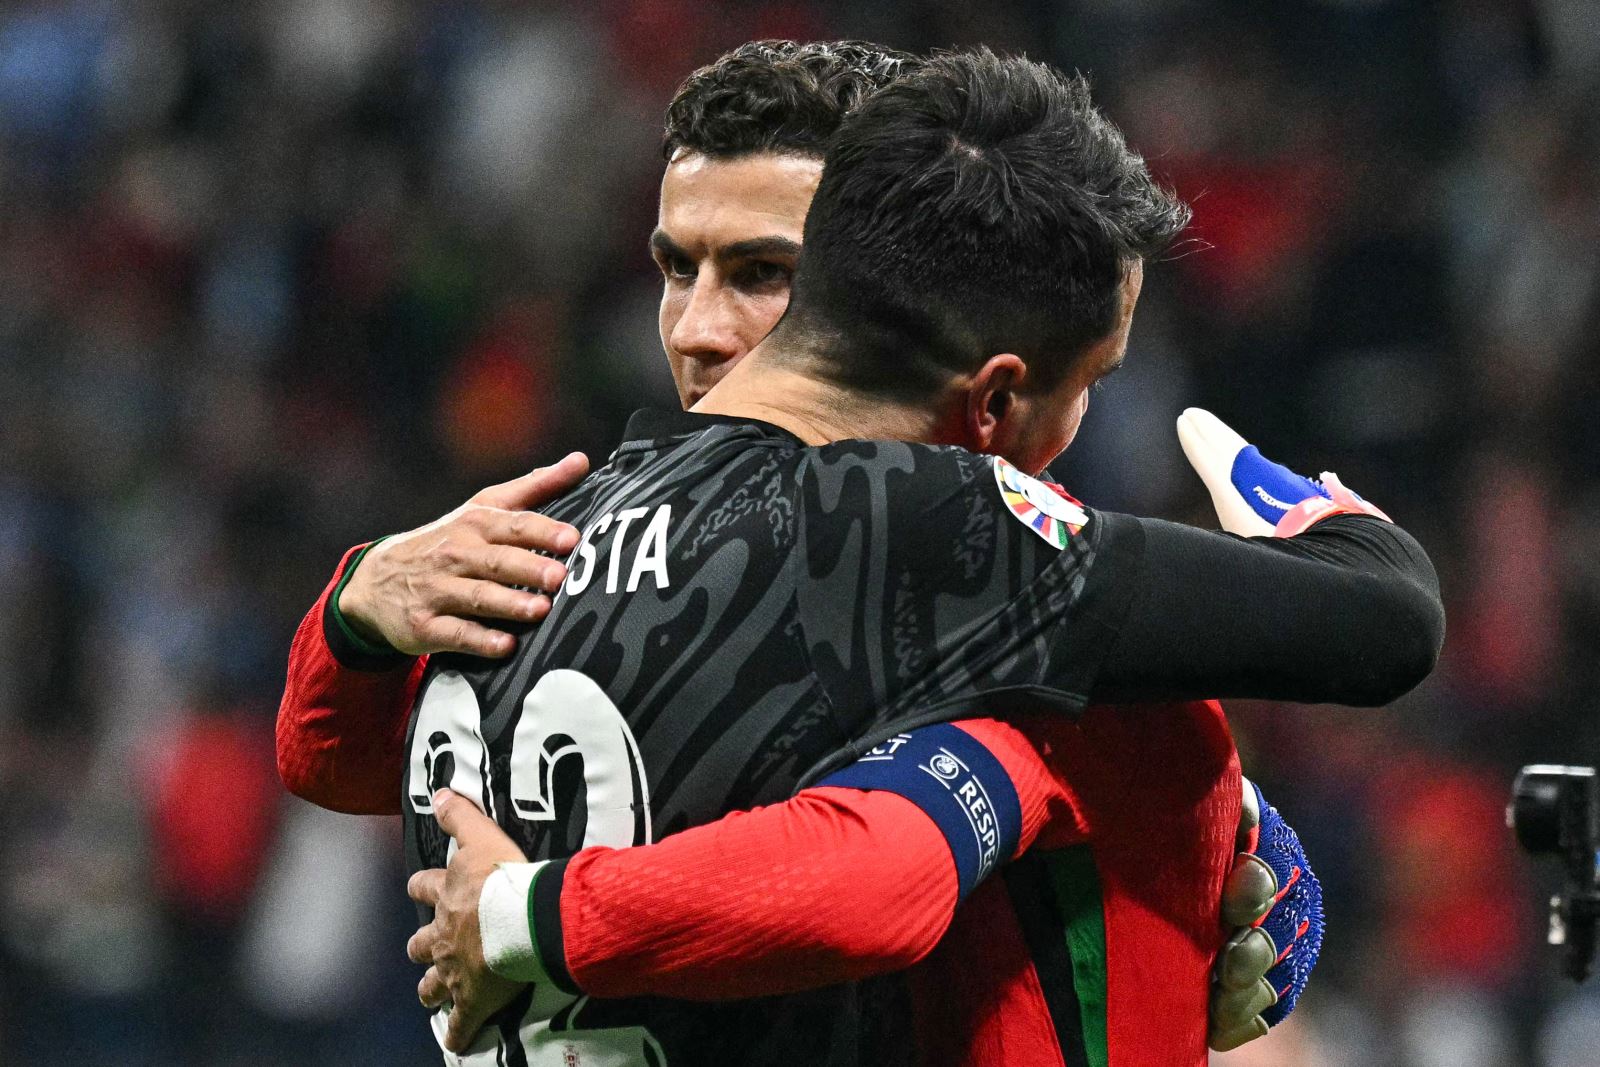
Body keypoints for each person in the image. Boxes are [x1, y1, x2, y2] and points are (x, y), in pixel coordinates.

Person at [268, 42, 1395, 1064]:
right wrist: (357, 614)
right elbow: (884, 867)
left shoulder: (943, 564)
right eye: (677, 268)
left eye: (765, 274)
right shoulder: (576, 538)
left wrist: (1211, 831)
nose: (698, 330)